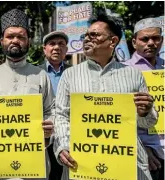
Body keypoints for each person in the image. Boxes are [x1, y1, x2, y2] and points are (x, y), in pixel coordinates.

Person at [54, 10, 158, 180]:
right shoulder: (70, 75)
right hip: (82, 164)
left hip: (127, 164)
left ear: (113, 41)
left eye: (94, 35)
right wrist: (63, 146)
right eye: (85, 35)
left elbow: (148, 122)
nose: (87, 39)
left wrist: (144, 111)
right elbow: (61, 115)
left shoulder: (133, 74)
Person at [0, 9, 55, 180]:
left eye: (21, 37)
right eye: (10, 36)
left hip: (33, 166)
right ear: (2, 41)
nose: (15, 41)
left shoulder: (40, 75)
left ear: (28, 41)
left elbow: (51, 110)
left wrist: (49, 127)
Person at [123, 17, 164, 180]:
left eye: (156, 38)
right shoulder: (123, 71)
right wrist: (140, 148)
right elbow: (120, 118)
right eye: (145, 39)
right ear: (134, 42)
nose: (151, 43)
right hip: (147, 153)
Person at [38, 31, 70, 180]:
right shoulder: (34, 73)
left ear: (66, 49)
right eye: (52, 44)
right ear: (45, 49)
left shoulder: (75, 73)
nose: (57, 47)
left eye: (61, 44)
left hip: (69, 136)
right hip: (43, 136)